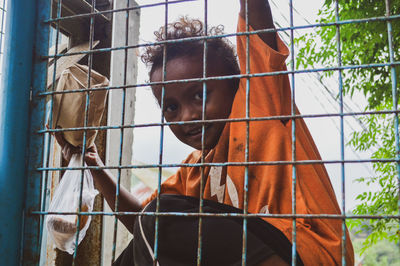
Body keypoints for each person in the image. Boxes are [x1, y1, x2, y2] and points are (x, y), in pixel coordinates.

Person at [55, 0, 354, 265]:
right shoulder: (194, 171)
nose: (186, 116)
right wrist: (94, 165)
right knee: (144, 238)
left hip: (305, 254)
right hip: (253, 251)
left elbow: (256, 17)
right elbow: (142, 222)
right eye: (170, 107)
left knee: (162, 215)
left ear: (239, 85)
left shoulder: (261, 107)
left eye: (199, 95)